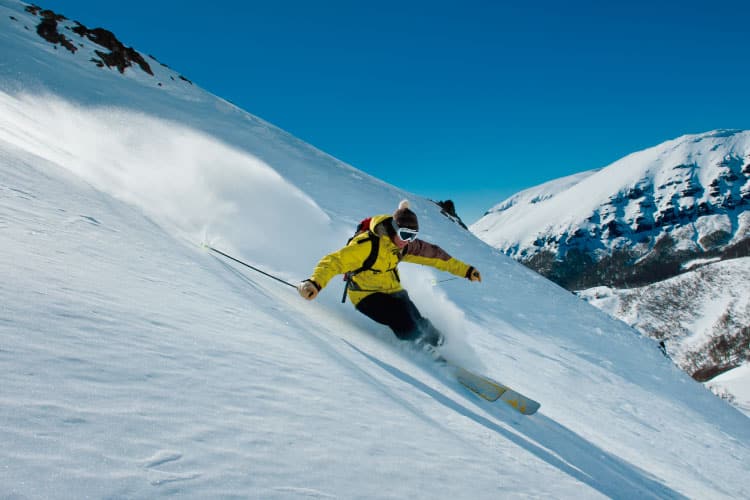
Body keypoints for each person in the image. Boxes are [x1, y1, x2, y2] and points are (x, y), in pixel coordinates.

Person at [297, 200, 482, 347]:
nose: (406, 241)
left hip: (393, 290)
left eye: (412, 236)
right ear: (394, 228)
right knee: (402, 320)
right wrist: (315, 283)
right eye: (404, 235)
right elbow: (334, 262)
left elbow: (436, 256)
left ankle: (443, 349)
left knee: (422, 323)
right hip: (365, 295)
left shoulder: (404, 246)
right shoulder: (368, 245)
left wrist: (466, 270)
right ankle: (421, 351)